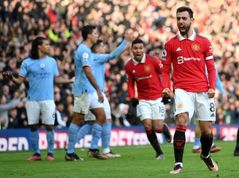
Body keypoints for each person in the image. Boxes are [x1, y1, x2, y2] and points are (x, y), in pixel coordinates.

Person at [162, 6, 219, 174]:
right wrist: (166, 86)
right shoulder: (170, 44)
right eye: (178, 18)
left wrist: (212, 86)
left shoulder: (204, 42)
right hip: (182, 90)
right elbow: (165, 70)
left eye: (184, 18)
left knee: (207, 131)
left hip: (203, 90)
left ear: (192, 20)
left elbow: (212, 68)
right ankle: (178, 163)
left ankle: (206, 155)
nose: (180, 21)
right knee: (181, 121)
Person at [3, 36, 73, 161]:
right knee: (33, 126)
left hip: (48, 100)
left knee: (49, 126)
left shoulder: (51, 61)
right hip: (32, 100)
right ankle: (36, 153)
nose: (49, 46)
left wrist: (69, 80)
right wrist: (12, 79)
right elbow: (20, 81)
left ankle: (50, 153)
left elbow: (56, 79)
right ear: (39, 46)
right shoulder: (27, 62)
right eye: (46, 44)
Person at [76, 30, 133, 158]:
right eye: (101, 46)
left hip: (97, 93)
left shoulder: (97, 59)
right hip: (92, 94)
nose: (103, 47)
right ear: (96, 48)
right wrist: (125, 41)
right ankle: (78, 145)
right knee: (94, 122)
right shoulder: (95, 57)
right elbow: (113, 55)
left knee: (104, 120)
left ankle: (104, 149)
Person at [65, 25, 107, 161]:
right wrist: (99, 90)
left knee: (101, 116)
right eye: (95, 33)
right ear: (89, 35)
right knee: (78, 119)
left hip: (89, 90)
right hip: (83, 90)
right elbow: (88, 72)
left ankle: (93, 148)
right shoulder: (84, 50)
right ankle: (70, 152)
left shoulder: (86, 50)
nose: (97, 35)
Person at [125, 38, 172, 160]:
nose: (138, 50)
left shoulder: (153, 60)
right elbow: (130, 83)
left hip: (157, 98)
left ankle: (164, 129)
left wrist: (167, 92)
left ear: (144, 49)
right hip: (143, 100)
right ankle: (159, 152)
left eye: (140, 48)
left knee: (158, 128)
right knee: (147, 126)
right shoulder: (129, 66)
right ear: (132, 50)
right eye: (135, 48)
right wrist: (132, 98)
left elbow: (165, 74)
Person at [192, 64, 224, 154]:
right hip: (199, 94)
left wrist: (222, 91)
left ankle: (208, 144)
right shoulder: (197, 61)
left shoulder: (212, 64)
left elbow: (216, 79)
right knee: (202, 121)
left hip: (209, 95)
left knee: (207, 121)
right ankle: (197, 145)